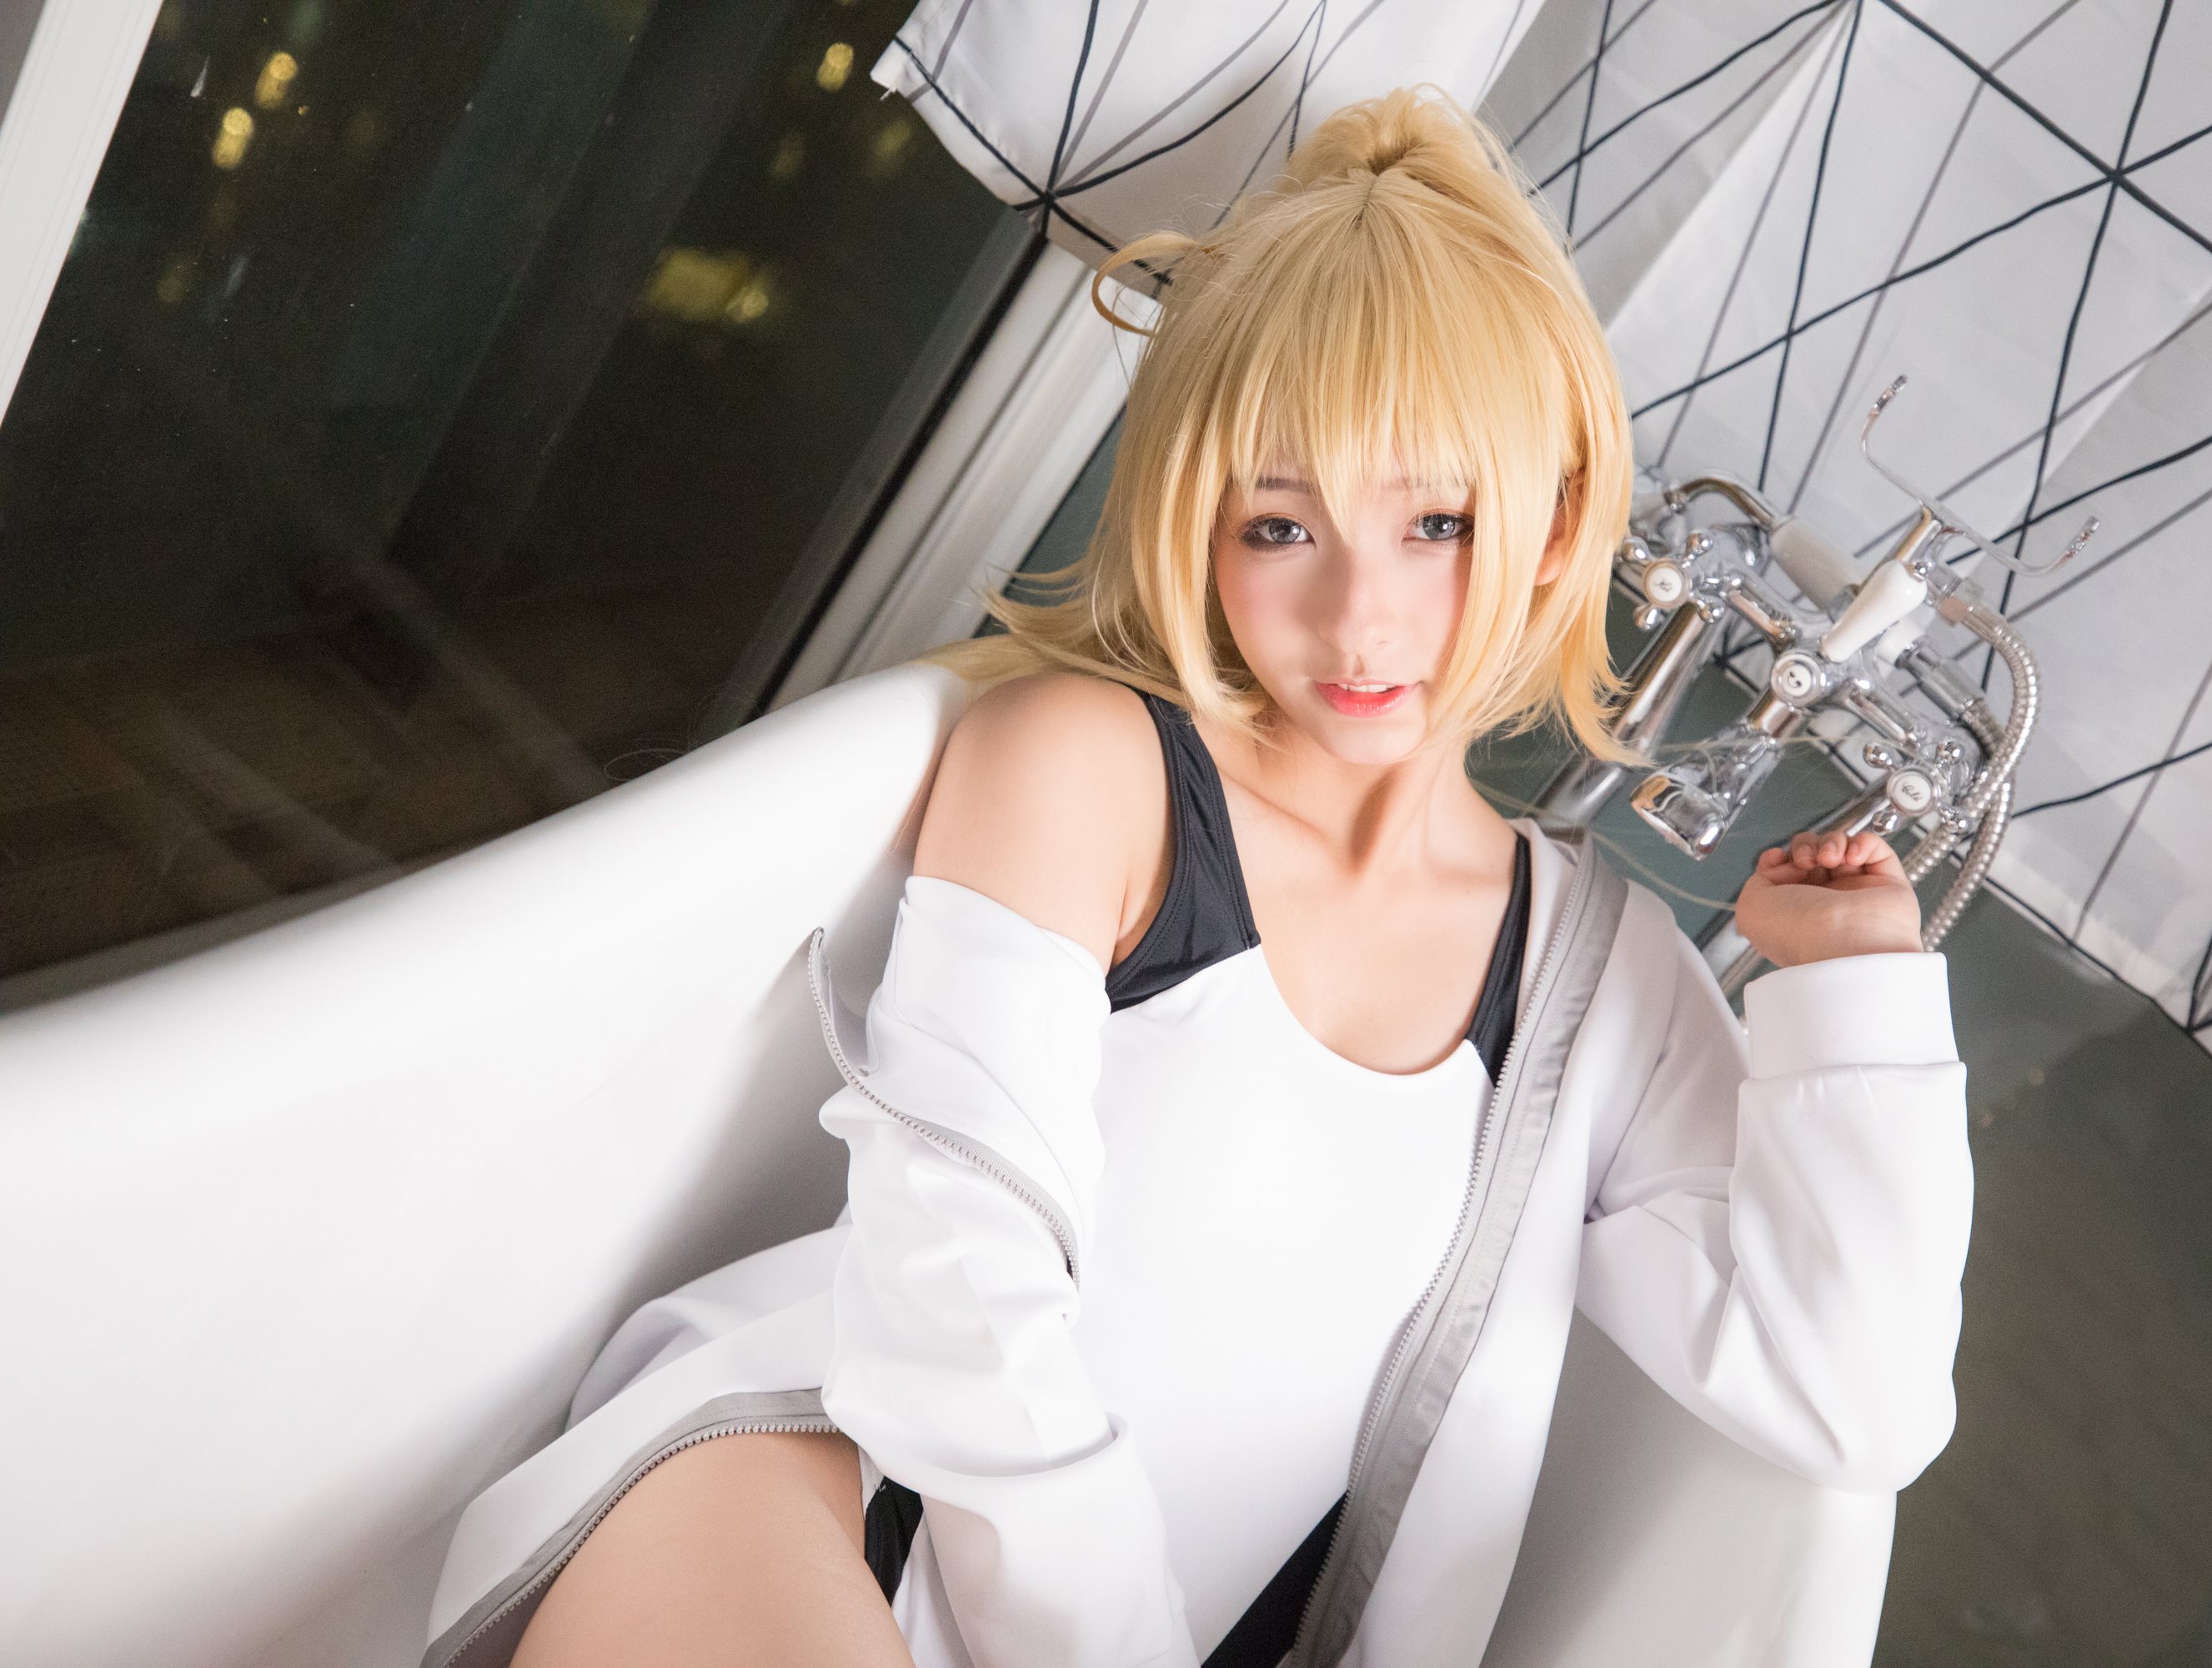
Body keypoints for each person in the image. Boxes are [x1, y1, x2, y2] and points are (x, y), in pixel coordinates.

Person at [421, 85, 1972, 1668]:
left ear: (1559, 525)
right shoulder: (1090, 772)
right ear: (1199, 523)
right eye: (1282, 527)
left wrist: (1856, 991)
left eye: (1437, 522)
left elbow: (1852, 1408)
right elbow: (954, 1284)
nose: (1359, 619)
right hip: (814, 1502)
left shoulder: (1595, 983)